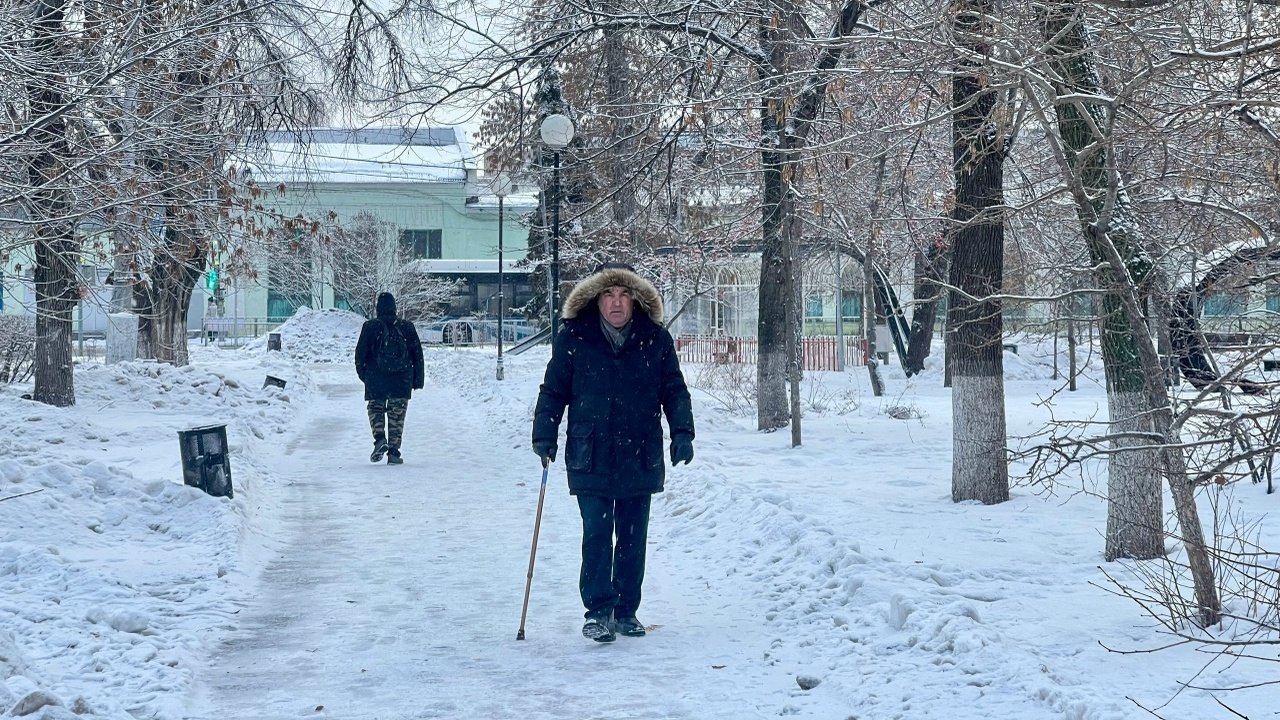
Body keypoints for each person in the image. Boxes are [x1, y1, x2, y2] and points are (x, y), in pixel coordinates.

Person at [532, 262, 695, 643]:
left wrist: (682, 433)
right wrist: (545, 432)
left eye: (624, 295)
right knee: (597, 531)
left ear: (635, 300)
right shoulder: (574, 337)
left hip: (640, 451)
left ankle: (625, 611)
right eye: (609, 294)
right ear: (596, 299)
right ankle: (598, 610)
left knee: (633, 537)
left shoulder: (654, 338)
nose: (617, 302)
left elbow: (673, 388)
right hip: (591, 452)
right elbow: (554, 389)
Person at [355, 292, 425, 465]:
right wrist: (417, 380)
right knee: (397, 415)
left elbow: (360, 355)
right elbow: (418, 355)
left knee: (376, 409)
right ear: (395, 308)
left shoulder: (370, 327)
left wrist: (365, 377)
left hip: (375, 377)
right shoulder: (406, 327)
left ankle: (379, 439)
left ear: (378, 309)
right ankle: (394, 452)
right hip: (401, 379)